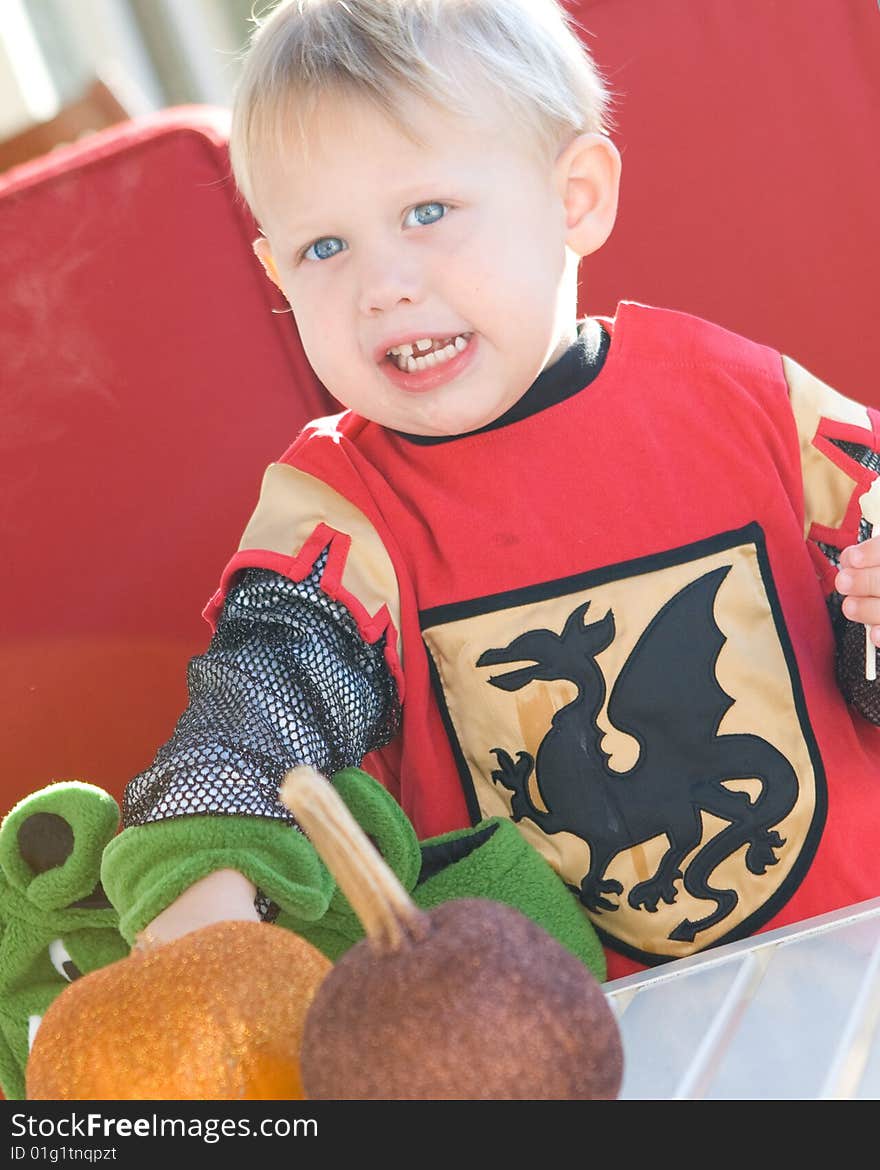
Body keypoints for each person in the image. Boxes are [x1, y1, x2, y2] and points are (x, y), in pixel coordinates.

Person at [102, 0, 880, 982]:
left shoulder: (752, 402)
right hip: (537, 1048)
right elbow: (270, 690)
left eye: (426, 213)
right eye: (323, 248)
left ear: (575, 199)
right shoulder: (341, 508)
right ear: (274, 276)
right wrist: (208, 848)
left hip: (853, 965)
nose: (381, 283)